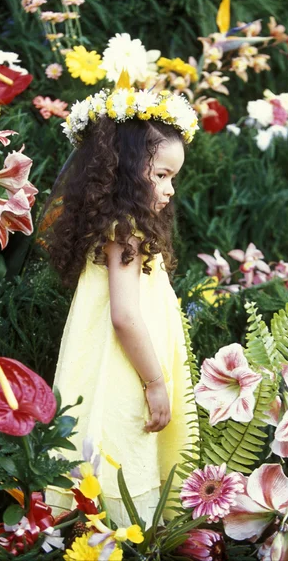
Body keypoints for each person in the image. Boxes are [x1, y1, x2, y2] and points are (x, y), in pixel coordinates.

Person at [44, 84, 199, 527]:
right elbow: (125, 316)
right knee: (122, 446)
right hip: (125, 367)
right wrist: (155, 382)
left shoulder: (117, 226)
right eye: (162, 175)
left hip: (110, 360)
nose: (170, 189)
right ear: (128, 171)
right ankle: (119, 534)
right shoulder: (126, 231)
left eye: (174, 177)